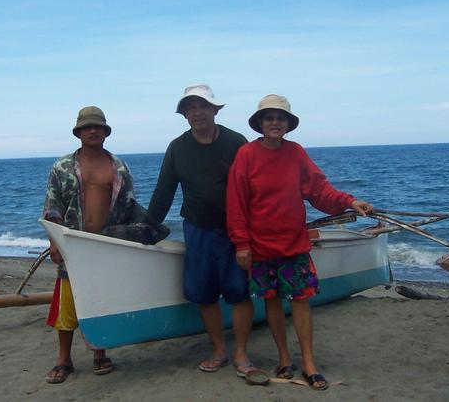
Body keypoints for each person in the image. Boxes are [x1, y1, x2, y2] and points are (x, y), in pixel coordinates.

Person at [226, 94, 373, 390]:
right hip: (261, 247)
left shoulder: (296, 153)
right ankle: (284, 358)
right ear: (260, 123)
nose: (275, 123)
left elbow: (319, 191)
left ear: (288, 124)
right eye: (269, 118)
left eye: (280, 118)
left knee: (302, 301)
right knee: (272, 303)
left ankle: (308, 362)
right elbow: (236, 203)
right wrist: (242, 243)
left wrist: (350, 201)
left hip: (294, 244)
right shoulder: (246, 155)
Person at [147, 84, 256, 377]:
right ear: (184, 114)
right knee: (204, 293)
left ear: (215, 110)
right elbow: (163, 193)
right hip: (197, 230)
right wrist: (146, 230)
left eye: (202, 106)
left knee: (239, 291)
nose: (197, 112)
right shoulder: (177, 147)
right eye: (190, 108)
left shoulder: (237, 142)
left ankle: (242, 352)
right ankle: (220, 349)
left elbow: (255, 188)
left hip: (235, 231)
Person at [43, 106, 134, 384]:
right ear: (79, 132)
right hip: (73, 246)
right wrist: (55, 242)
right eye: (87, 127)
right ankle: (64, 358)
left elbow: (129, 209)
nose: (93, 130)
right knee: (66, 304)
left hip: (106, 246)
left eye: (98, 126)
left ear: (106, 132)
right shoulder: (62, 167)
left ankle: (100, 352)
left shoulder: (119, 167)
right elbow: (51, 208)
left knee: (102, 300)